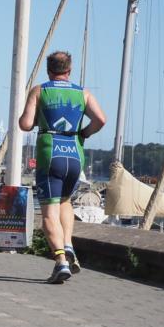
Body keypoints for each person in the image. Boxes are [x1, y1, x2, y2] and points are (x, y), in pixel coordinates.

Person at [19, 51, 106, 284]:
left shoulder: (40, 90)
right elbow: (101, 120)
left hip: (51, 152)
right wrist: (83, 134)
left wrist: (37, 115)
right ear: (69, 70)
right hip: (75, 152)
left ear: (49, 70)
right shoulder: (83, 93)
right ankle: (68, 245)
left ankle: (61, 261)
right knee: (66, 200)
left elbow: (25, 124)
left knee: (49, 211)